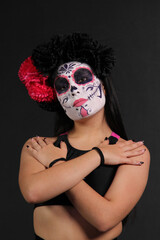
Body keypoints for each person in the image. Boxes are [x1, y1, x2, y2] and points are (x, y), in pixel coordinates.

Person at [18, 33, 150, 240]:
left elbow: (105, 219)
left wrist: (56, 162)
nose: (74, 90)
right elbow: (33, 192)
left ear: (103, 87)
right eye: (62, 86)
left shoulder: (130, 152)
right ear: (58, 98)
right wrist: (99, 156)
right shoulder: (39, 146)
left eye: (82, 78)